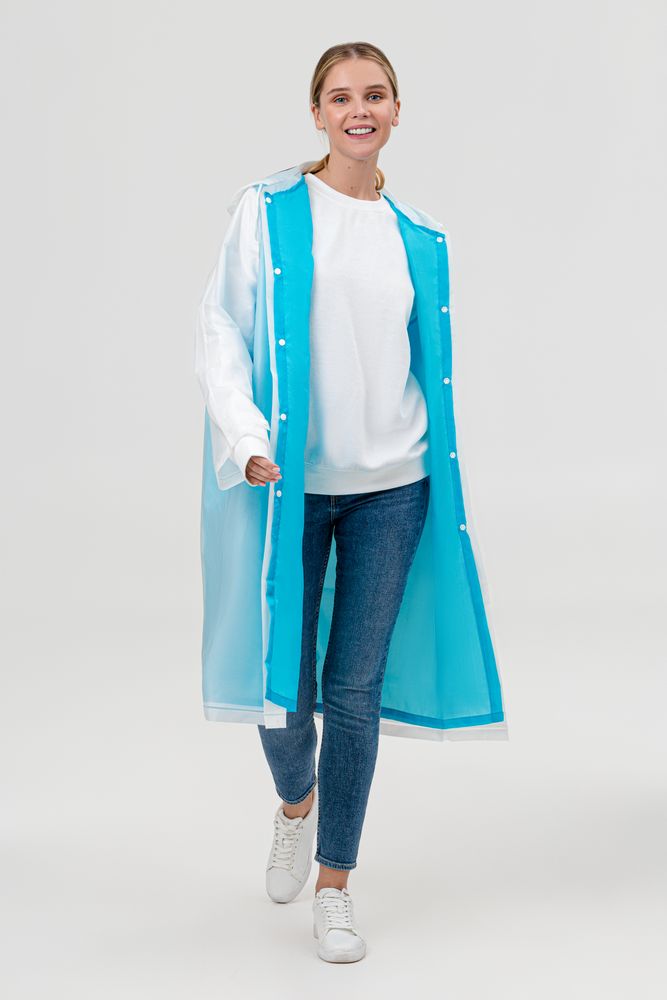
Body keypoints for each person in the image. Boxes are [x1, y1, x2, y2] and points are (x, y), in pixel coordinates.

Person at [195, 40, 508, 965]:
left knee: (354, 692)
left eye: (374, 95)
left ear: (397, 110)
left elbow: (416, 363)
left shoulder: (420, 234)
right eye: (339, 97)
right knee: (285, 694)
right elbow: (220, 323)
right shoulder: (267, 211)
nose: (357, 109)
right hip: (289, 487)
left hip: (392, 490)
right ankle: (296, 805)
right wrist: (247, 438)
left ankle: (335, 885)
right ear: (317, 113)